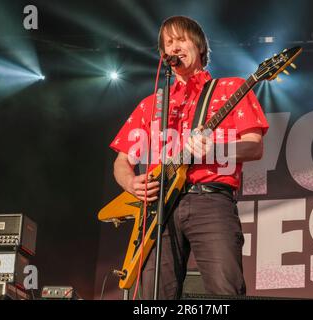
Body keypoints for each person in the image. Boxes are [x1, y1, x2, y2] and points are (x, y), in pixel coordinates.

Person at [110, 15, 269, 299]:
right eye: (168, 43)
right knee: (153, 296)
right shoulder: (151, 104)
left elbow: (254, 147)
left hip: (210, 199)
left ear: (199, 46)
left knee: (225, 290)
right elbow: (122, 161)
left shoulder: (229, 89)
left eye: (180, 39)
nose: (174, 47)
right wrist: (130, 183)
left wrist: (216, 150)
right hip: (160, 208)